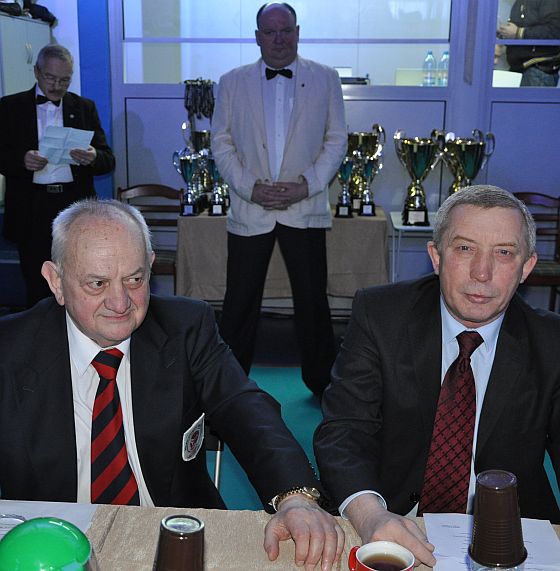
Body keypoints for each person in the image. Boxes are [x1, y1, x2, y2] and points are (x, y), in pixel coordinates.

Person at [0, 198, 344, 571]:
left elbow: (245, 409)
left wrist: (295, 497)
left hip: (173, 541)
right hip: (50, 549)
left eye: (134, 279)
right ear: (56, 281)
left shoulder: (184, 327)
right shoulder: (9, 349)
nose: (120, 302)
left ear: (150, 266)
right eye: (97, 283)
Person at [314, 185, 560, 567]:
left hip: (510, 536)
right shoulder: (381, 316)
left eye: (503, 253)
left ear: (526, 267)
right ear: (436, 256)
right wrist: (370, 515)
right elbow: (343, 431)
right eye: (465, 248)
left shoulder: (552, 342)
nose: (482, 272)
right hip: (391, 517)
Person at [211, 2, 347, 397]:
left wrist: (308, 185)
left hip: (304, 208)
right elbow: (221, 142)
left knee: (313, 302)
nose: (278, 39)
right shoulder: (231, 82)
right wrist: (249, 187)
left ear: (297, 32)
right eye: (269, 32)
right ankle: (229, 388)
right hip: (250, 208)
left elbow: (336, 139)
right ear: (257, 37)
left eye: (285, 30)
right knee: (239, 303)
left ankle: (323, 386)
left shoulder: (326, 78)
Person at [0, 43, 115, 308]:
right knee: (37, 281)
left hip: (73, 204)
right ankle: (40, 331)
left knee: (79, 277)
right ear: (36, 72)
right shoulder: (10, 107)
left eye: (64, 80)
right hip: (31, 206)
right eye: (51, 78)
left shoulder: (84, 107)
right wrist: (22, 160)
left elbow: (108, 160)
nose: (57, 86)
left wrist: (93, 157)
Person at [497, 0, 560, 86]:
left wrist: (519, 32)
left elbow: (554, 31)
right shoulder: (520, 2)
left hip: (537, 71)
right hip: (519, 69)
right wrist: (505, 34)